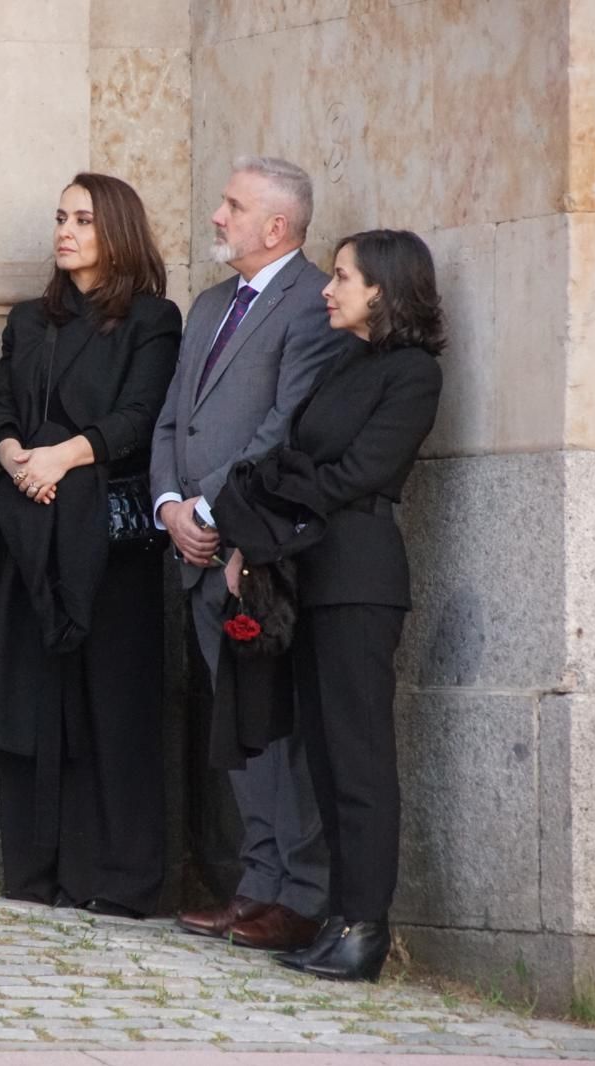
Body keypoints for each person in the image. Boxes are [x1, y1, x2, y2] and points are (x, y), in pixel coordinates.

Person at [217, 229, 440, 981]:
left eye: (342, 277)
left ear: (382, 287)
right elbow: (290, 461)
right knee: (323, 760)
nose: (327, 288)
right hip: (307, 575)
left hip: (359, 583)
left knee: (359, 763)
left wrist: (275, 494)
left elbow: (357, 473)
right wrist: (261, 514)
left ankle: (365, 929)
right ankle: (338, 918)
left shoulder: (413, 374)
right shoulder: (347, 363)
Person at [0, 173, 181, 918]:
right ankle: (36, 870)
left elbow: (140, 415)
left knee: (113, 702)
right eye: (60, 216)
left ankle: (118, 879)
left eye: (83, 220)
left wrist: (65, 457)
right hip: (30, 533)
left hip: (108, 539)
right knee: (32, 693)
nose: (65, 231)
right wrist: (16, 454)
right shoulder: (31, 320)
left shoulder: (153, 319)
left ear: (116, 232)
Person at [150, 156, 348, 951]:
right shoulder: (205, 306)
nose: (216, 217)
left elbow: (284, 425)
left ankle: (298, 893)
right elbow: (173, 419)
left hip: (253, 552)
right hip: (192, 547)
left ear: (277, 226)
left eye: (232, 206)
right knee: (234, 729)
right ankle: (253, 883)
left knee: (275, 729)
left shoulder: (311, 305)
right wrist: (169, 506)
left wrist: (210, 510)